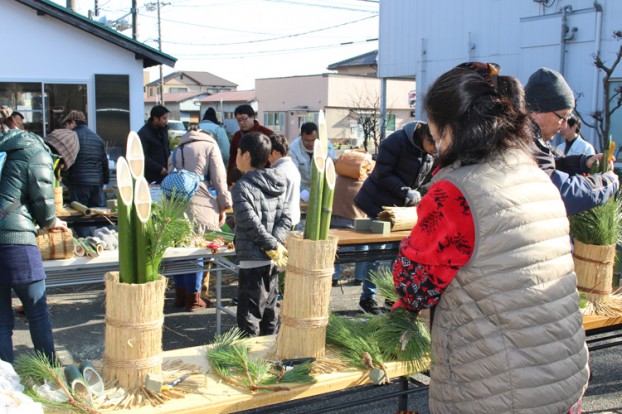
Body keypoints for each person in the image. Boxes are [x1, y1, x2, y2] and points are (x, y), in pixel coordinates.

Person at [392, 63, 588, 413]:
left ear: (450, 128)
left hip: (496, 387)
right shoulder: (533, 174)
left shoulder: (455, 191)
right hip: (560, 372)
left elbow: (414, 285)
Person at [0, 109, 68, 364]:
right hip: (17, 242)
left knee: (1, 321)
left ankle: (6, 386)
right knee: (37, 313)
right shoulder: (33, 148)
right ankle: (50, 375)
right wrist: (51, 221)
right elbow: (42, 195)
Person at [351, 121, 436, 314]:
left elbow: (420, 178)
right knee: (377, 252)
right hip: (377, 203)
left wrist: (421, 192)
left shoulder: (428, 153)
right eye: (434, 145)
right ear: (425, 137)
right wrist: (406, 191)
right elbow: (383, 173)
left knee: (397, 254)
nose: (436, 149)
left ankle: (391, 296)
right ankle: (367, 298)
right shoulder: (396, 141)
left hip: (401, 208)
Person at [525, 67, 618, 216]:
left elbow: (548, 167)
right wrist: (607, 182)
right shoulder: (520, 142)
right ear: (538, 111)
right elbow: (558, 193)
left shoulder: (523, 138)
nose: (562, 125)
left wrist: (583, 163)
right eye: (562, 116)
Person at [231, 131, 291, 337]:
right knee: (269, 315)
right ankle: (272, 362)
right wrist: (276, 244)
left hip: (253, 261)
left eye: (238, 152)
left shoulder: (242, 187)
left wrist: (271, 245)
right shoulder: (275, 182)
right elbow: (287, 218)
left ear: (246, 155)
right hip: (273, 261)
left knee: (249, 319)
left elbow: (250, 223)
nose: (236, 156)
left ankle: (252, 365)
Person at [168, 127, 232, 312]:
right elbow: (219, 179)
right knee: (197, 250)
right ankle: (194, 299)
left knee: (180, 247)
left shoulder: (176, 149)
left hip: (175, 204)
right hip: (200, 201)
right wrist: (224, 205)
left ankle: (180, 296)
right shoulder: (210, 146)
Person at [62, 110, 109, 237]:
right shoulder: (97, 138)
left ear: (73, 122)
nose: (66, 129)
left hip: (78, 183)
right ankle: (105, 242)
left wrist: (65, 180)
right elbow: (104, 163)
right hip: (97, 184)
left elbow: (67, 162)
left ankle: (88, 243)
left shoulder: (71, 138)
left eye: (66, 125)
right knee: (100, 216)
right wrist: (105, 182)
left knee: (80, 217)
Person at [289, 122, 337, 202]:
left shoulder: (326, 145)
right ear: (301, 136)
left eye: (313, 140)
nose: (311, 144)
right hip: (301, 189)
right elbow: (293, 174)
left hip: (322, 189)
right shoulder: (293, 148)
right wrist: (301, 190)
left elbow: (332, 169)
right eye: (307, 140)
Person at [226, 105, 273, 186]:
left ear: (252, 116)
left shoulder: (267, 134)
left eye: (244, 119)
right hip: (240, 180)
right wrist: (229, 182)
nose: (241, 123)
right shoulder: (237, 136)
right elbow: (232, 159)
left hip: (263, 179)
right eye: (238, 120)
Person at [268, 133, 301, 228]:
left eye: (267, 153)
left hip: (282, 222)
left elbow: (275, 202)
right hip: (293, 218)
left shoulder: (278, 171)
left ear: (274, 152)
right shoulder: (292, 166)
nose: (267, 158)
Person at [138, 105, 171, 184]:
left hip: (165, 175)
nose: (166, 121)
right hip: (151, 177)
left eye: (166, 118)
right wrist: (159, 168)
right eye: (164, 118)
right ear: (155, 118)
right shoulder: (143, 133)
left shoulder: (163, 130)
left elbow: (167, 149)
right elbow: (142, 156)